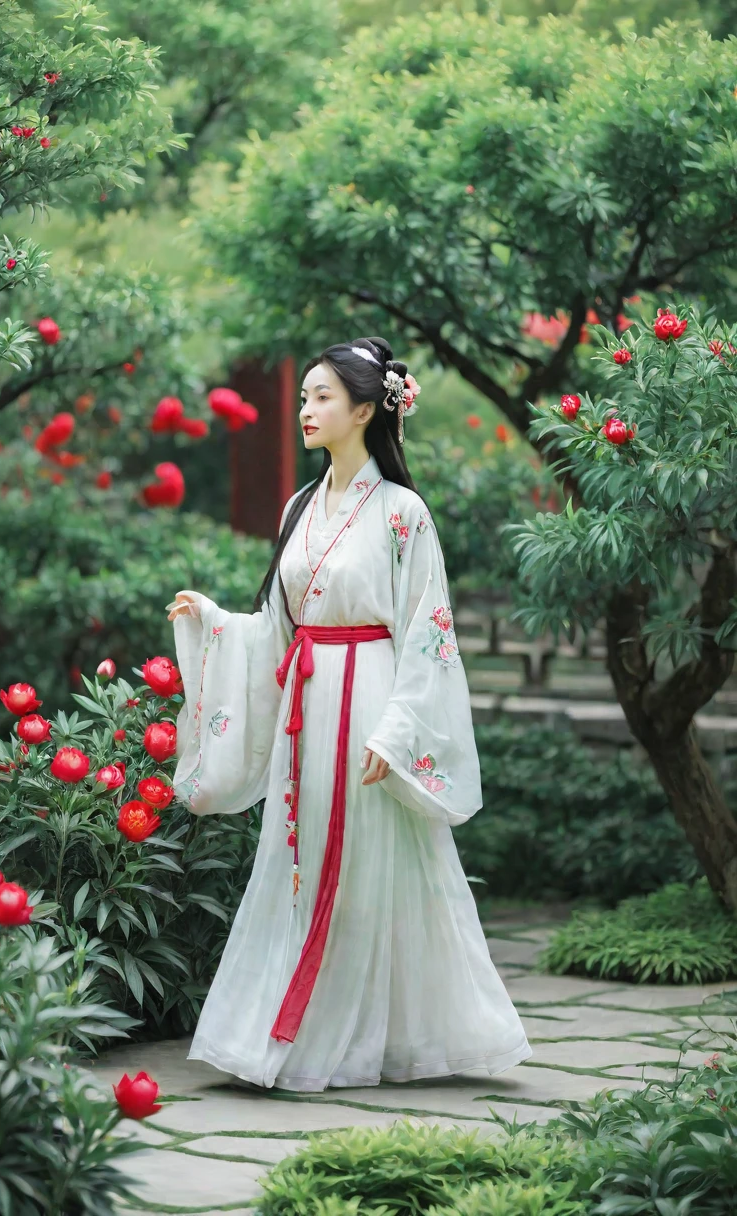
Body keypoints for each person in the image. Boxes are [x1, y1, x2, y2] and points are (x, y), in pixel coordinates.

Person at [167, 335, 532, 1092]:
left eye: (323, 396)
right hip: (307, 703)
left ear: (367, 409)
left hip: (369, 699)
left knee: (371, 864)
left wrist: (398, 732)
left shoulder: (404, 513)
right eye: (304, 397)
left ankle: (356, 1034)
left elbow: (428, 633)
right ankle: (289, 1028)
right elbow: (279, 626)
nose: (307, 409)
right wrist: (215, 622)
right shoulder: (300, 507)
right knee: (297, 864)